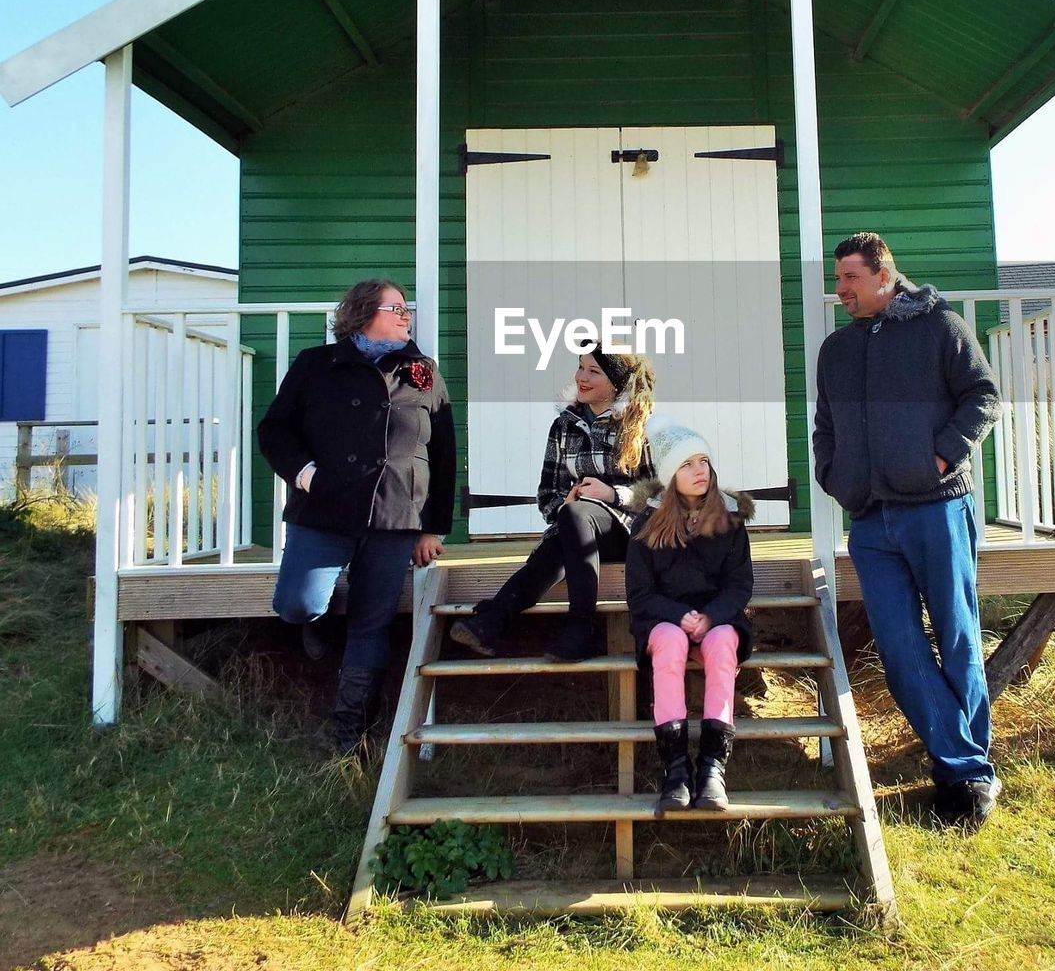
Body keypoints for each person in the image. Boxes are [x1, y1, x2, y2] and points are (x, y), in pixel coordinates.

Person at [812, 232, 1003, 828]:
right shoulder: (836, 350)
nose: (840, 289)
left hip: (937, 508)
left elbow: (984, 396)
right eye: (838, 278)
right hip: (869, 520)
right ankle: (967, 766)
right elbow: (825, 425)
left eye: (849, 277)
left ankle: (964, 775)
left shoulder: (940, 329)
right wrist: (834, 475)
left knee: (957, 636)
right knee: (899, 651)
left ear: (883, 274)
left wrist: (939, 459)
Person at [258, 277, 456, 756]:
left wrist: (432, 526)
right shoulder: (316, 364)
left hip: (395, 513)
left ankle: (351, 734)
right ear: (363, 312)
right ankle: (316, 623)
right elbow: (275, 429)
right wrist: (305, 475)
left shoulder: (422, 370)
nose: (406, 316)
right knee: (298, 603)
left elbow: (445, 451)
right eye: (396, 308)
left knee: (372, 623)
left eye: (407, 309)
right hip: (324, 509)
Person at [450, 349, 657, 663]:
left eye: (593, 371)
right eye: (580, 368)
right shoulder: (564, 426)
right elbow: (547, 493)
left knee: (573, 522)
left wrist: (612, 494)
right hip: (578, 534)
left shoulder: (642, 426)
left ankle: (579, 625)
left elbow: (662, 496)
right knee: (562, 537)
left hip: (631, 534)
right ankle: (494, 621)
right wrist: (564, 505)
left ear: (615, 383)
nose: (581, 377)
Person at [626, 422, 754, 813]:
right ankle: (676, 771)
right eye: (687, 465)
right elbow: (641, 594)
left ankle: (713, 768)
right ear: (669, 476)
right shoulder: (646, 524)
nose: (700, 471)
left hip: (718, 619)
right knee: (669, 641)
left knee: (721, 644)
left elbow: (739, 585)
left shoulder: (729, 521)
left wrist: (712, 617)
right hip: (664, 620)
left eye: (704, 461)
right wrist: (681, 616)